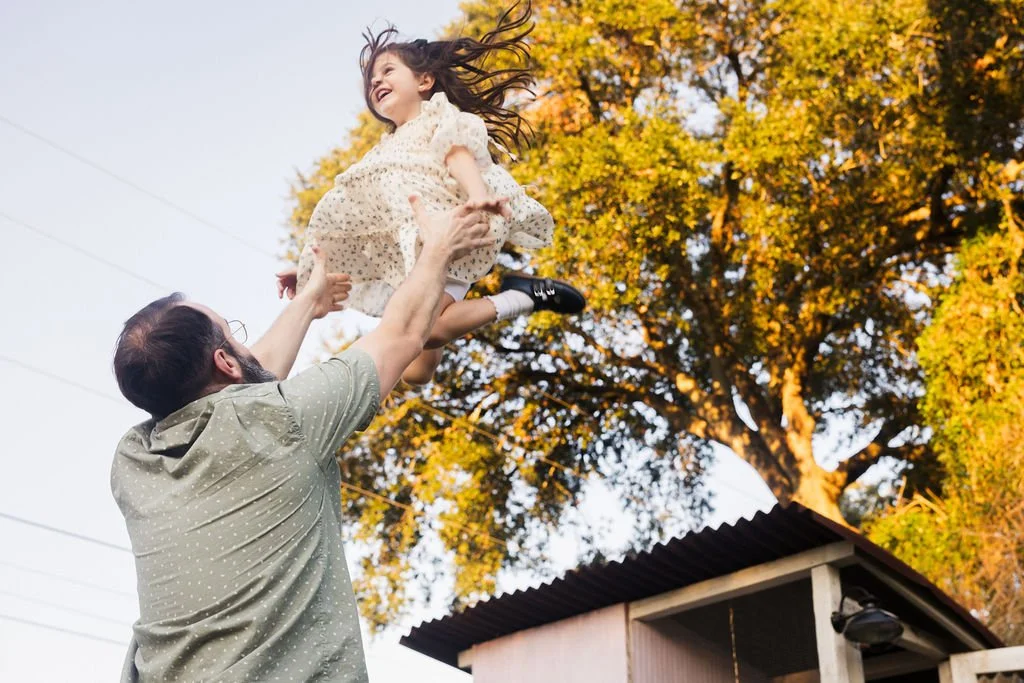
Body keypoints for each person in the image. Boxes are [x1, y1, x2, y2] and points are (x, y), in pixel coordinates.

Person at [110, 198, 493, 682]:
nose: (245, 345)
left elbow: (243, 386)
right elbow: (401, 334)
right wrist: (439, 247)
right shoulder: (284, 420)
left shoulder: (131, 462)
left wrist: (308, 303)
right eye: (234, 334)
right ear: (226, 362)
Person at [280, 1, 585, 385]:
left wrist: (477, 197)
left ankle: (524, 296)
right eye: (370, 81)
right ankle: (517, 293)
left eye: (387, 71)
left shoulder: (436, 115)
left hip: (450, 231)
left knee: (425, 332)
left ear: (424, 82)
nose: (375, 82)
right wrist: (309, 270)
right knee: (416, 371)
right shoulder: (385, 148)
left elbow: (458, 152)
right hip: (415, 252)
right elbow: (361, 225)